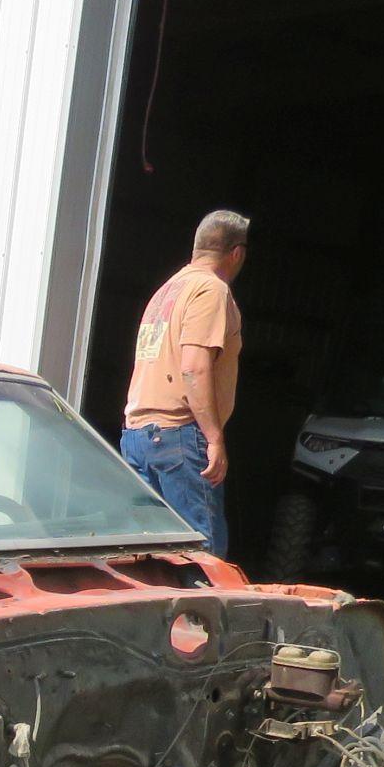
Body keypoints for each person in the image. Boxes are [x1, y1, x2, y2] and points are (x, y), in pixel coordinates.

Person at [121, 210, 249, 556]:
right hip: (178, 436)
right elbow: (194, 367)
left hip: (137, 435)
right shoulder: (211, 290)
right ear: (236, 253)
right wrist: (214, 438)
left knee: (152, 558)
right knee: (200, 559)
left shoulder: (169, 290)